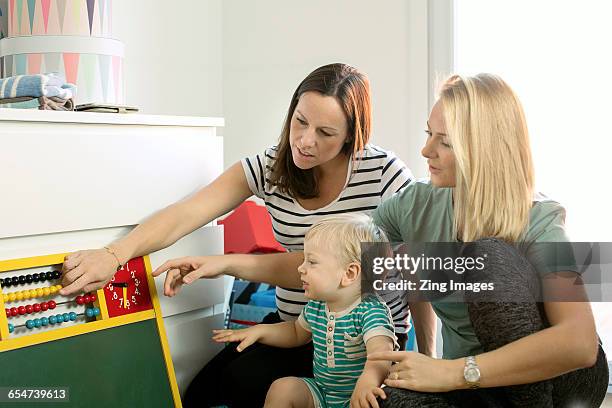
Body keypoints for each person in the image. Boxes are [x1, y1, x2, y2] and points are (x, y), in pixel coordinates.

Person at [60, 63, 415, 407]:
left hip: (365, 344)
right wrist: (113, 255)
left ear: (352, 135)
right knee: (206, 390)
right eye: (300, 122)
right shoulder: (273, 165)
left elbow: (422, 264)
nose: (305, 142)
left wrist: (424, 350)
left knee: (248, 386)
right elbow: (189, 212)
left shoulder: (384, 174)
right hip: (299, 325)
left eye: (325, 133)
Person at [365, 73, 609, 407]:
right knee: (388, 400)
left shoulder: (540, 219)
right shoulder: (415, 205)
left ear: (485, 151)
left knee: (488, 259)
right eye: (428, 133)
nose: (425, 151)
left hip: (559, 385)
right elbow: (345, 259)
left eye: (445, 142)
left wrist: (452, 373)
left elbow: (579, 343)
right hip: (476, 387)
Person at [213, 214, 398, 408]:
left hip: (358, 398)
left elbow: (382, 354)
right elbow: (295, 332)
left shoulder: (371, 311)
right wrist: (259, 331)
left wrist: (367, 383)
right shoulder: (317, 306)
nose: (301, 268)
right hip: (321, 392)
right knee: (284, 388)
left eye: (312, 262)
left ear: (349, 273)